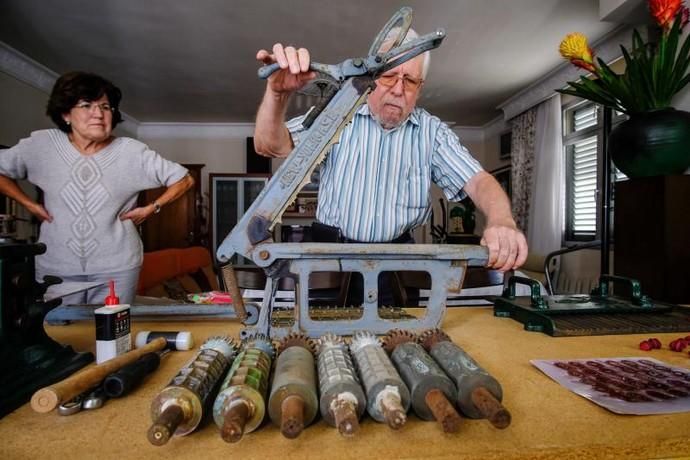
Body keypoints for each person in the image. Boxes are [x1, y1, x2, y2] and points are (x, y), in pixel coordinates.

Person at [253, 32, 527, 304]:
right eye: (389, 76)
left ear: (420, 88)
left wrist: (502, 221)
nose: (398, 89)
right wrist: (277, 94)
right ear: (372, 76)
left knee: (400, 344)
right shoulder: (336, 114)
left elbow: (478, 181)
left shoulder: (432, 133)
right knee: (324, 345)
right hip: (328, 261)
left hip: (398, 266)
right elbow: (269, 145)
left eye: (409, 80)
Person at [0, 71, 194, 305]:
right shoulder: (41, 145)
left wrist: (152, 208)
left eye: (105, 107)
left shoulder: (132, 152)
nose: (98, 114)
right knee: (59, 333)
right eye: (86, 105)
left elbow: (184, 179)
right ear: (65, 114)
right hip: (57, 267)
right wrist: (28, 204)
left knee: (112, 334)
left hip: (118, 268)